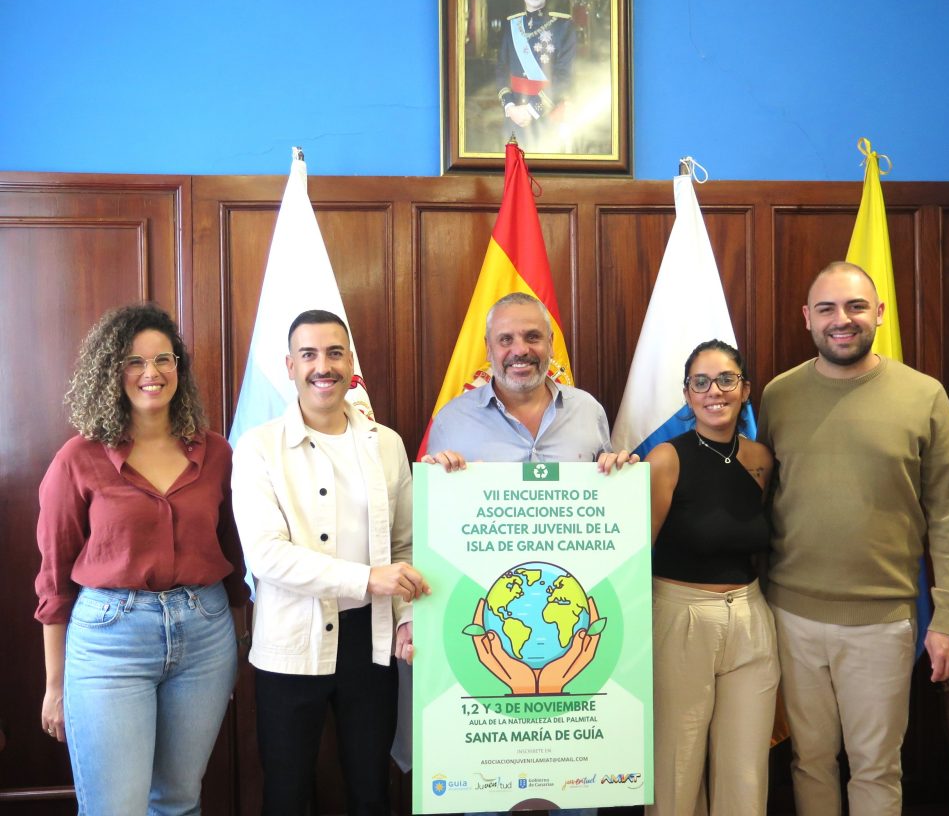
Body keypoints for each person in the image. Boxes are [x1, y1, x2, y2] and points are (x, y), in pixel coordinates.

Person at [759, 261, 949, 816]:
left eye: (855, 306)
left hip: (884, 620)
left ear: (878, 312)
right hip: (791, 616)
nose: (842, 320)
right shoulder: (779, 396)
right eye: (827, 308)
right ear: (808, 318)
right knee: (809, 759)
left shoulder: (925, 396)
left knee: (877, 766)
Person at [426, 291, 635, 816]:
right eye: (507, 339)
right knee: (489, 797)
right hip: (494, 633)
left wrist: (615, 472)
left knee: (573, 794)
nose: (520, 349)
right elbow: (436, 530)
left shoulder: (588, 411)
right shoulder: (453, 420)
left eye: (532, 336)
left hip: (570, 629)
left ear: (549, 344)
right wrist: (440, 475)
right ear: (490, 349)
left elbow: (607, 508)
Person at [35, 303, 249, 815]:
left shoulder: (218, 453)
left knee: (178, 800)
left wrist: (240, 643)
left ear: (180, 368)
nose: (151, 373)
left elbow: (236, 557)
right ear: (111, 371)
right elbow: (53, 581)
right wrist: (55, 683)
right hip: (110, 641)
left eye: (164, 359)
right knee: (116, 808)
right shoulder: (77, 458)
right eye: (134, 361)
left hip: (205, 636)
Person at [232, 309, 429, 816]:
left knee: (370, 788)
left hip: (371, 640)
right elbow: (266, 555)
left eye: (335, 353)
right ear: (290, 366)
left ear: (350, 362)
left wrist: (407, 619)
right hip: (290, 642)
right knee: (286, 790)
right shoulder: (257, 448)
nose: (324, 366)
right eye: (310, 354)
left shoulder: (386, 444)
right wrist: (366, 578)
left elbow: (405, 548)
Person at [644, 340, 779, 816]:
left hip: (751, 618)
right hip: (680, 618)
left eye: (726, 380)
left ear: (745, 389)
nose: (713, 391)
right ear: (687, 394)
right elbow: (641, 553)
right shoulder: (665, 459)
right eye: (700, 382)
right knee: (676, 770)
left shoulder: (762, 459)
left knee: (745, 772)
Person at [496, 0, 576, 154]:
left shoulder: (563, 26)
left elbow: (564, 77)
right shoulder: (511, 25)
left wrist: (532, 110)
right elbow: (501, 68)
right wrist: (510, 105)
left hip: (548, 113)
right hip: (515, 114)